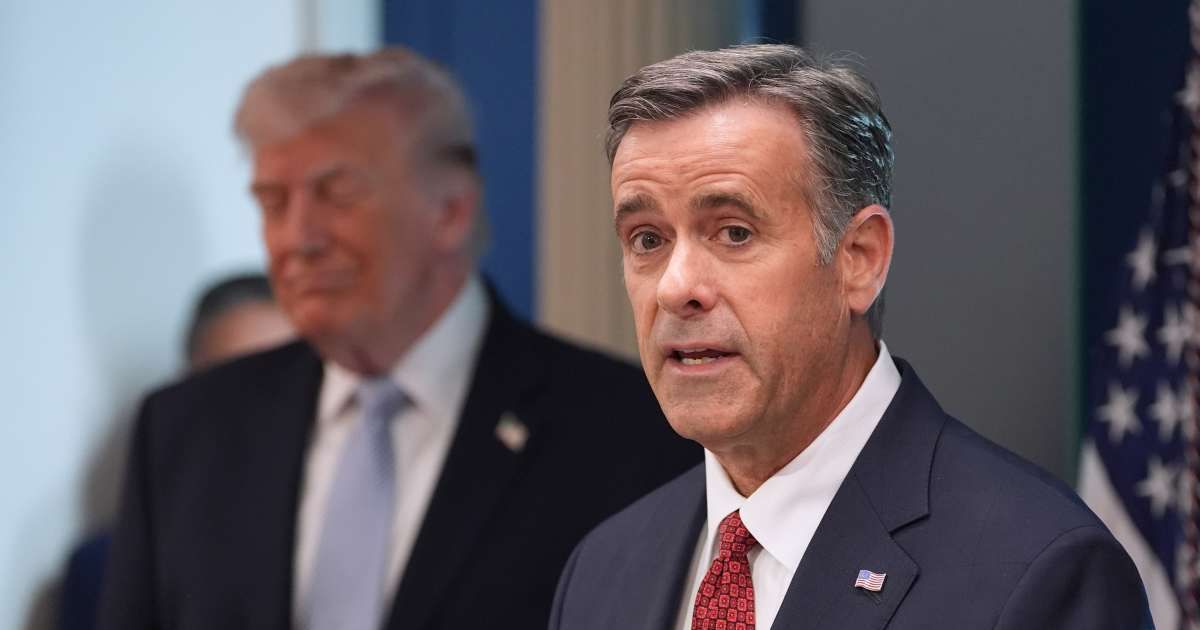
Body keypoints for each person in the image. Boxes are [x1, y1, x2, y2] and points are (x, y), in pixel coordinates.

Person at [549, 44, 1149, 630]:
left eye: (733, 232)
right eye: (647, 240)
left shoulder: (1038, 570)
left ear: (859, 259)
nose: (676, 288)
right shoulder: (604, 567)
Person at [97, 49, 699, 630]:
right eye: (273, 202)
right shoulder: (186, 431)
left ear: (450, 212)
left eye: (336, 193)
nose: (297, 237)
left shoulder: (627, 434)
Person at [60, 272, 292, 630]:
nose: (260, 412)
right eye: (230, 384)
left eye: (284, 381)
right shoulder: (106, 569)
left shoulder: (370, 536)